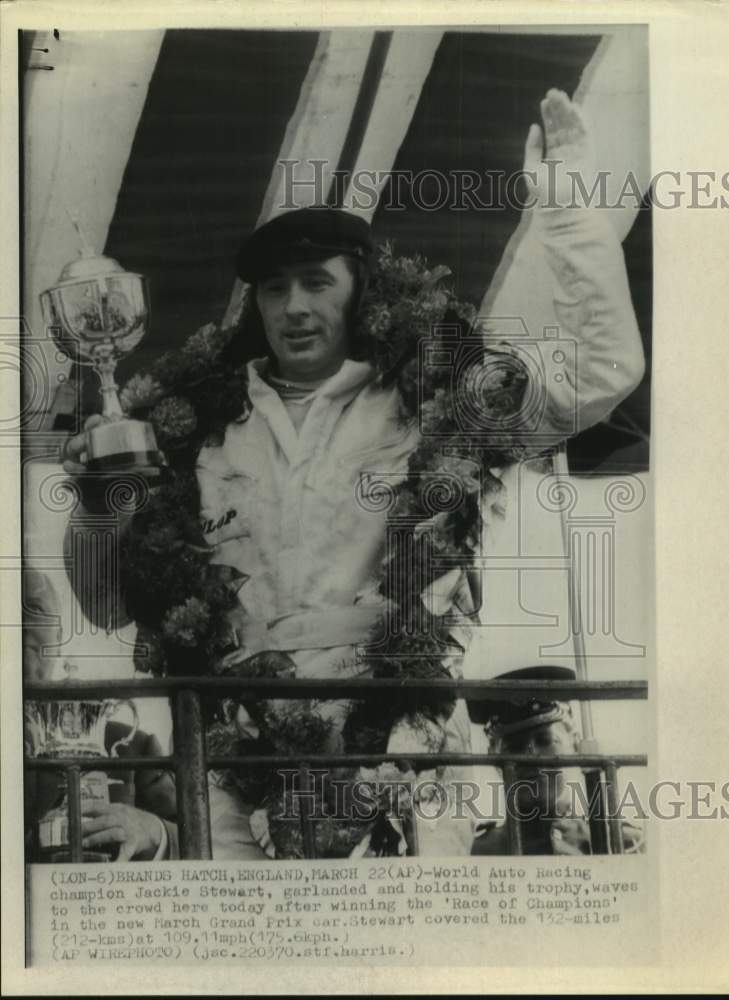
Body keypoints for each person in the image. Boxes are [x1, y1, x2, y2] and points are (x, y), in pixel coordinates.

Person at [61, 90, 645, 857]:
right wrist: (99, 505)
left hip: (408, 766)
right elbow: (105, 604)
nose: (294, 306)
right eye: (275, 288)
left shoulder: (440, 403)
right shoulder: (195, 432)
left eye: (316, 282)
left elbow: (605, 368)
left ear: (361, 289)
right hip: (234, 774)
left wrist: (567, 203)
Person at [22, 569, 179, 861]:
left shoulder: (131, 745)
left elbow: (199, 836)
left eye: (33, 609)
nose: (18, 623)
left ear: (58, 637)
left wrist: (152, 832)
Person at [468, 665, 644, 855]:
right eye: (515, 746)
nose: (531, 756)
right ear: (494, 758)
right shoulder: (477, 852)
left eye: (546, 741)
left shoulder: (627, 844)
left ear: (575, 745)